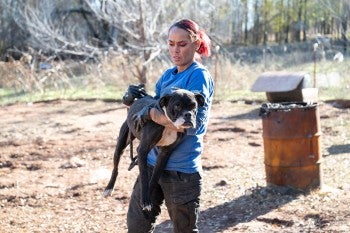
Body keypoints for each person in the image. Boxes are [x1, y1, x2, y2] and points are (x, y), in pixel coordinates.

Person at [125, 19, 214, 233]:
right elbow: (157, 109)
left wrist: (150, 113)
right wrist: (137, 104)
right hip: (151, 164)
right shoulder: (167, 75)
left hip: (180, 171)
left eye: (182, 44)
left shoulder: (198, 76)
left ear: (195, 44)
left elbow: (193, 123)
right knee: (137, 226)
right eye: (171, 43)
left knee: (183, 230)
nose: (175, 50)